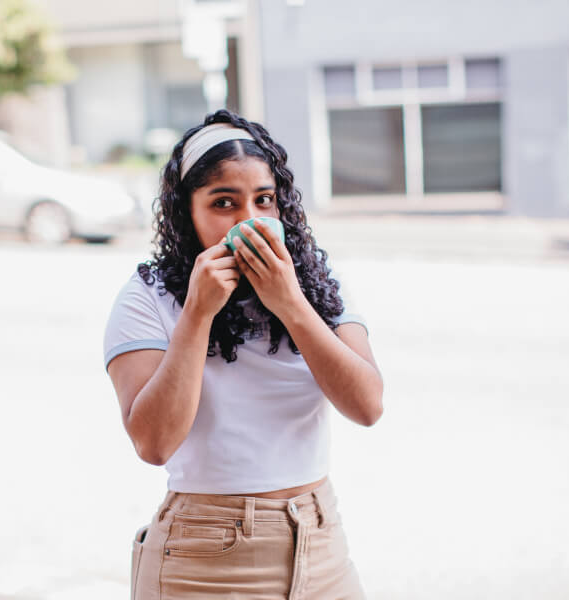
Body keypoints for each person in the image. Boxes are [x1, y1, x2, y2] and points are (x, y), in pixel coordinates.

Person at [103, 109, 383, 600]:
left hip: (319, 542)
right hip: (204, 558)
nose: (248, 221)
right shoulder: (147, 296)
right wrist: (196, 313)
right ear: (186, 212)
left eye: (264, 200)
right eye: (224, 203)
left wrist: (290, 303)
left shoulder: (314, 281)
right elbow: (153, 443)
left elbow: (367, 406)